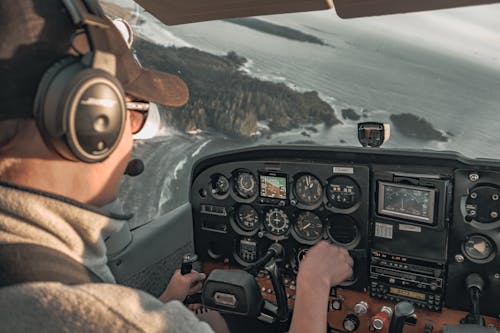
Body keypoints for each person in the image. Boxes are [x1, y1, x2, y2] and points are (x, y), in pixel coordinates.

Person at [0, 0, 353, 332]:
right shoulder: (94, 315)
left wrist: (163, 303)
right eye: (133, 117)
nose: (133, 143)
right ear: (92, 120)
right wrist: (313, 284)